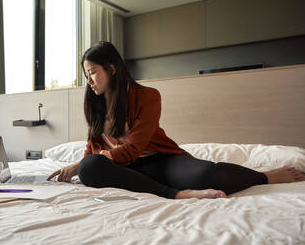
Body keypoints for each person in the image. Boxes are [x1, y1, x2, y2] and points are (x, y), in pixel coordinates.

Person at [47, 41, 305, 199]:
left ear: (111, 69)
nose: (89, 81)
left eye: (92, 72)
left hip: (158, 161)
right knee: (90, 167)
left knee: (207, 173)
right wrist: (78, 165)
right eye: (86, 75)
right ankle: (176, 194)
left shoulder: (148, 96)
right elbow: (93, 150)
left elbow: (135, 148)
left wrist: (98, 159)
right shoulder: (95, 103)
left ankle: (264, 176)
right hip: (127, 170)